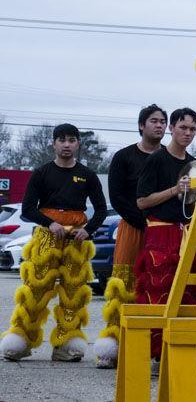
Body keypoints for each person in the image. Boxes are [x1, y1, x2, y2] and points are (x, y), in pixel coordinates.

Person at [0, 123, 107, 362]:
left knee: (73, 293)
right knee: (35, 290)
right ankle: (21, 340)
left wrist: (87, 230)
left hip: (76, 242)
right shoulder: (41, 173)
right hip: (47, 239)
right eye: (62, 140)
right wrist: (50, 224)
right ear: (54, 143)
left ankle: (65, 344)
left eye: (71, 140)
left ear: (78, 143)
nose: (66, 144)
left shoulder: (87, 175)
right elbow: (28, 209)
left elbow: (101, 209)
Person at [94, 103, 167, 368]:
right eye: (153, 121)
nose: (158, 125)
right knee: (123, 286)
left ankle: (158, 349)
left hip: (165, 231)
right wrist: (144, 223)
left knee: (160, 286)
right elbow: (117, 198)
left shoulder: (171, 157)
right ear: (141, 126)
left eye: (162, 121)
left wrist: (161, 224)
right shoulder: (124, 157)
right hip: (132, 228)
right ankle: (112, 347)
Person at [134, 107, 196, 363]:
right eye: (183, 128)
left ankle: (179, 352)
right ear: (171, 129)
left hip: (185, 233)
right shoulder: (156, 160)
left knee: (186, 291)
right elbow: (141, 201)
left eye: (192, 129)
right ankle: (153, 354)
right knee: (157, 290)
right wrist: (175, 189)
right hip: (160, 233)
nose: (187, 133)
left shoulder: (195, 164)